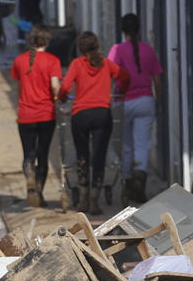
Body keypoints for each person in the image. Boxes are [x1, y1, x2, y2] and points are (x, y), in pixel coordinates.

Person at [59, 32, 127, 208]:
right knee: (99, 155)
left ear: (80, 49)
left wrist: (62, 97)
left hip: (80, 115)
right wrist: (120, 90)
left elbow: (65, 87)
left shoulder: (76, 64)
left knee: (82, 154)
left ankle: (83, 197)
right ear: (97, 46)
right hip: (102, 115)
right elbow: (124, 76)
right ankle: (95, 199)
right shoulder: (106, 64)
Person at [108, 14, 163, 204]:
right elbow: (157, 79)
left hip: (123, 101)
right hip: (146, 101)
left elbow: (110, 74)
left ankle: (127, 183)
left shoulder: (117, 50)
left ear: (123, 31)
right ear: (139, 29)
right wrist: (158, 101)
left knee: (126, 145)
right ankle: (140, 178)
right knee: (143, 143)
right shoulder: (148, 50)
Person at [12, 26, 62, 208]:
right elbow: (55, 87)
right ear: (47, 41)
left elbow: (18, 84)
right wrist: (60, 96)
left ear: (30, 40)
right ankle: (38, 193)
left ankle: (29, 177)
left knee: (28, 154)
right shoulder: (53, 61)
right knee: (43, 154)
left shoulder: (19, 60)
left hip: (25, 115)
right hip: (46, 114)